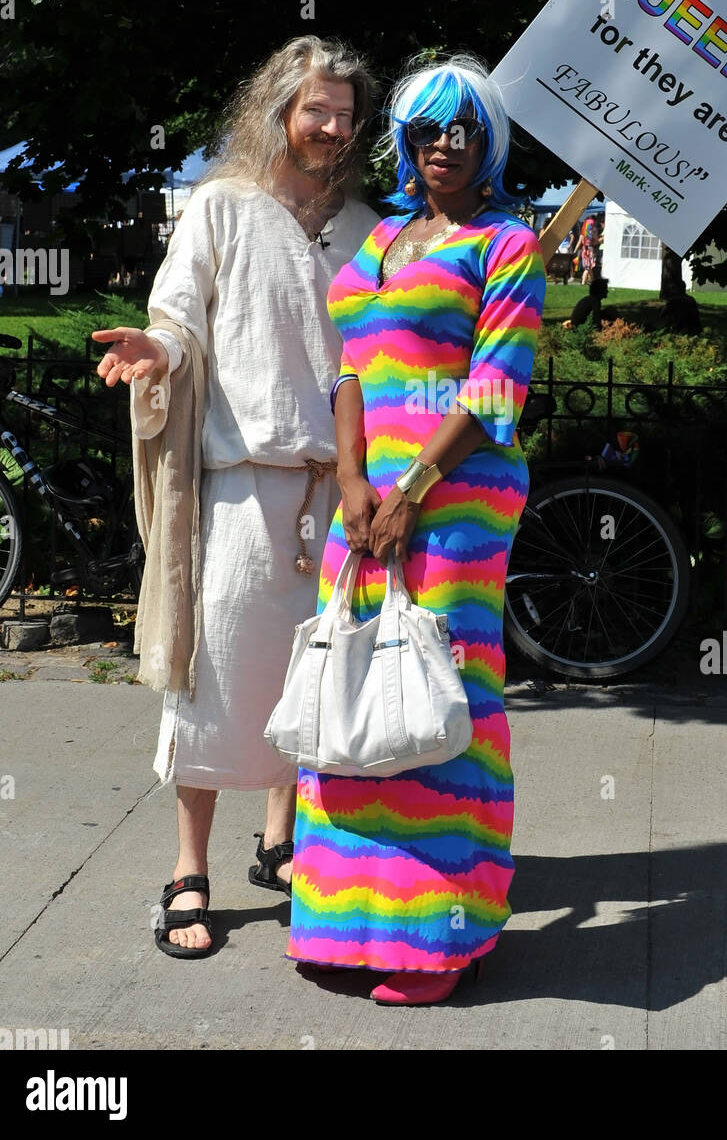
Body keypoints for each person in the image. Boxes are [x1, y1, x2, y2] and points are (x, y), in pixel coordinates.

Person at [92, 36, 378, 958]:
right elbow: (179, 319)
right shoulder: (221, 206)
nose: (332, 127)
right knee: (214, 686)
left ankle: (283, 845)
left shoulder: (362, 225)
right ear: (279, 111)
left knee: (313, 679)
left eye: (345, 114)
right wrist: (156, 353)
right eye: (316, 111)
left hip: (333, 494)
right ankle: (187, 871)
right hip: (242, 488)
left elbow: (377, 355)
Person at [287, 55, 546, 1005]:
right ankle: (345, 922)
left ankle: (437, 940)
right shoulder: (381, 241)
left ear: (490, 144)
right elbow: (347, 370)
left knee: (441, 699)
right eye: (431, 129)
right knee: (349, 684)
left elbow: (492, 389)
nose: (446, 145)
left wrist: (411, 491)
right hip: (366, 506)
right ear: (404, 139)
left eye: (466, 131)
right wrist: (355, 481)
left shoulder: (507, 243)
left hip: (458, 509)